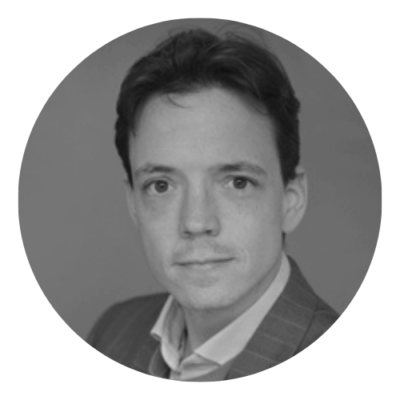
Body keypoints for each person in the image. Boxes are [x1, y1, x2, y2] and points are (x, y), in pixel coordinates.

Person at [87, 28, 339, 381]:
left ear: (290, 200)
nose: (196, 222)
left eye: (238, 182)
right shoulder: (112, 334)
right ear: (133, 204)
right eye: (161, 186)